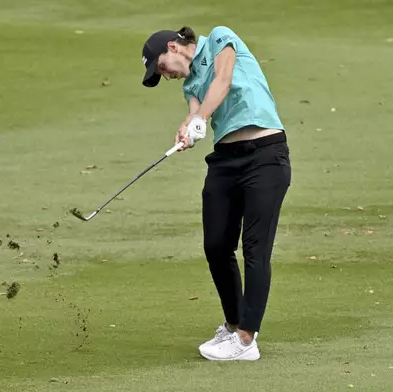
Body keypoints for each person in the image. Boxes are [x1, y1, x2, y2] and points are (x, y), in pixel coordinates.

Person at [140, 25, 291, 360]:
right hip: (225, 162)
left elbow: (222, 81)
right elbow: (197, 114)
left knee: (255, 248)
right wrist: (188, 129)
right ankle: (234, 321)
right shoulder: (191, 85)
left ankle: (245, 339)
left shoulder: (221, 38)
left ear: (173, 47)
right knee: (216, 245)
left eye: (161, 66)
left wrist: (201, 117)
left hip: (265, 154)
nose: (164, 75)